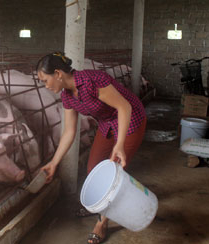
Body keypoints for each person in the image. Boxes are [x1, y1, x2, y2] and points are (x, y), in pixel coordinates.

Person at [37, 52, 146, 244]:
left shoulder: (92, 81)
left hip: (130, 120)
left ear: (58, 73)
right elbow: (69, 132)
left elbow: (124, 107)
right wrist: (54, 162)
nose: (46, 86)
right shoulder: (67, 96)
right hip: (107, 123)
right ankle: (98, 206)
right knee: (93, 168)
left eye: (45, 80)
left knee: (115, 173)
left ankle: (102, 223)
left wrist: (119, 144)